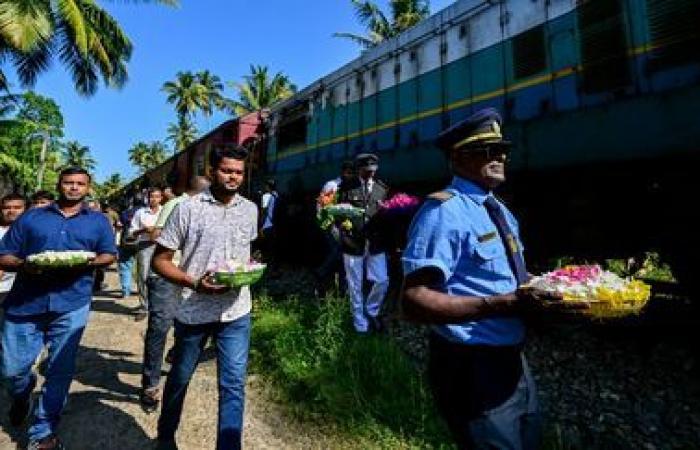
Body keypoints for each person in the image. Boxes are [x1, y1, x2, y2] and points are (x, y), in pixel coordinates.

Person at [401, 108, 586, 450]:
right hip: (471, 365)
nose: (500, 156)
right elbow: (414, 300)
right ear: (459, 157)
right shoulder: (443, 212)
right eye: (488, 150)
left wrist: (553, 286)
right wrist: (498, 304)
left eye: (503, 149)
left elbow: (508, 274)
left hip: (511, 357)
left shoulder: (499, 210)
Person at [0, 167, 117, 450]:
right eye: (68, 182)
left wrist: (89, 262)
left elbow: (109, 255)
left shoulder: (98, 222)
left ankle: (43, 432)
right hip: (26, 302)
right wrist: (24, 264)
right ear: (59, 184)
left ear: (88, 188)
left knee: (59, 368)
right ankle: (22, 392)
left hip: (71, 303)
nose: (74, 188)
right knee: (11, 369)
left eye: (80, 184)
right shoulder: (32, 218)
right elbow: (5, 255)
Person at [151, 146, 257, 450]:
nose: (233, 177)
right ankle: (166, 436)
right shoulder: (188, 209)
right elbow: (161, 260)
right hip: (193, 311)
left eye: (238, 172)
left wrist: (248, 273)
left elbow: (244, 257)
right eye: (227, 170)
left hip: (236, 312)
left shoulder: (250, 210)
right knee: (180, 379)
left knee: (233, 385)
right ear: (211, 172)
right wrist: (193, 282)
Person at [139, 176, 210, 412]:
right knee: (159, 329)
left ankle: (174, 356)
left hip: (191, 278)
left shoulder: (206, 209)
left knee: (189, 326)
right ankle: (150, 385)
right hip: (165, 278)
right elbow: (154, 235)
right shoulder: (176, 205)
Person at [337, 153, 389, 333]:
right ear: (359, 169)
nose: (370, 174)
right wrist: (342, 224)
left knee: (382, 280)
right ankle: (360, 323)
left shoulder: (382, 188)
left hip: (375, 242)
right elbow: (336, 212)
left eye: (373, 171)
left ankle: (371, 309)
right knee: (355, 284)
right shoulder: (346, 187)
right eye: (367, 171)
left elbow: (387, 216)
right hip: (353, 242)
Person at [313, 160, 354, 296]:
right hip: (330, 224)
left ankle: (341, 286)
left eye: (351, 173)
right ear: (343, 172)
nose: (350, 175)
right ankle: (322, 272)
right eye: (348, 172)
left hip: (341, 224)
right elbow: (322, 204)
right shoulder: (332, 185)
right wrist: (326, 223)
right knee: (339, 251)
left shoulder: (348, 186)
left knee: (342, 253)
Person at [128, 187, 163, 320]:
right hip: (144, 246)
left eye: (157, 196)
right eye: (151, 196)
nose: (154, 199)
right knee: (143, 277)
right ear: (147, 198)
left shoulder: (165, 211)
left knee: (160, 277)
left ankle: (158, 306)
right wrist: (143, 230)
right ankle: (144, 307)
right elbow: (132, 232)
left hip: (161, 246)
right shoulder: (141, 213)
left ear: (161, 198)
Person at [0, 194, 27, 308]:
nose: (11, 211)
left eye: (17, 207)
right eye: (7, 208)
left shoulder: (32, 233)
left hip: (20, 291)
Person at [117, 203, 138, 298]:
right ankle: (142, 290)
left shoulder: (125, 213)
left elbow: (119, 225)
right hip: (142, 243)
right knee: (143, 268)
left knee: (125, 266)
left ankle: (126, 291)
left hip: (126, 242)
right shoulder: (146, 211)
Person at [259, 179, 278, 263]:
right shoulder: (277, 195)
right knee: (272, 246)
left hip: (267, 225)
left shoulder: (266, 196)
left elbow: (263, 212)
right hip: (274, 225)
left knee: (265, 246)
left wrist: (261, 226)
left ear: (267, 186)